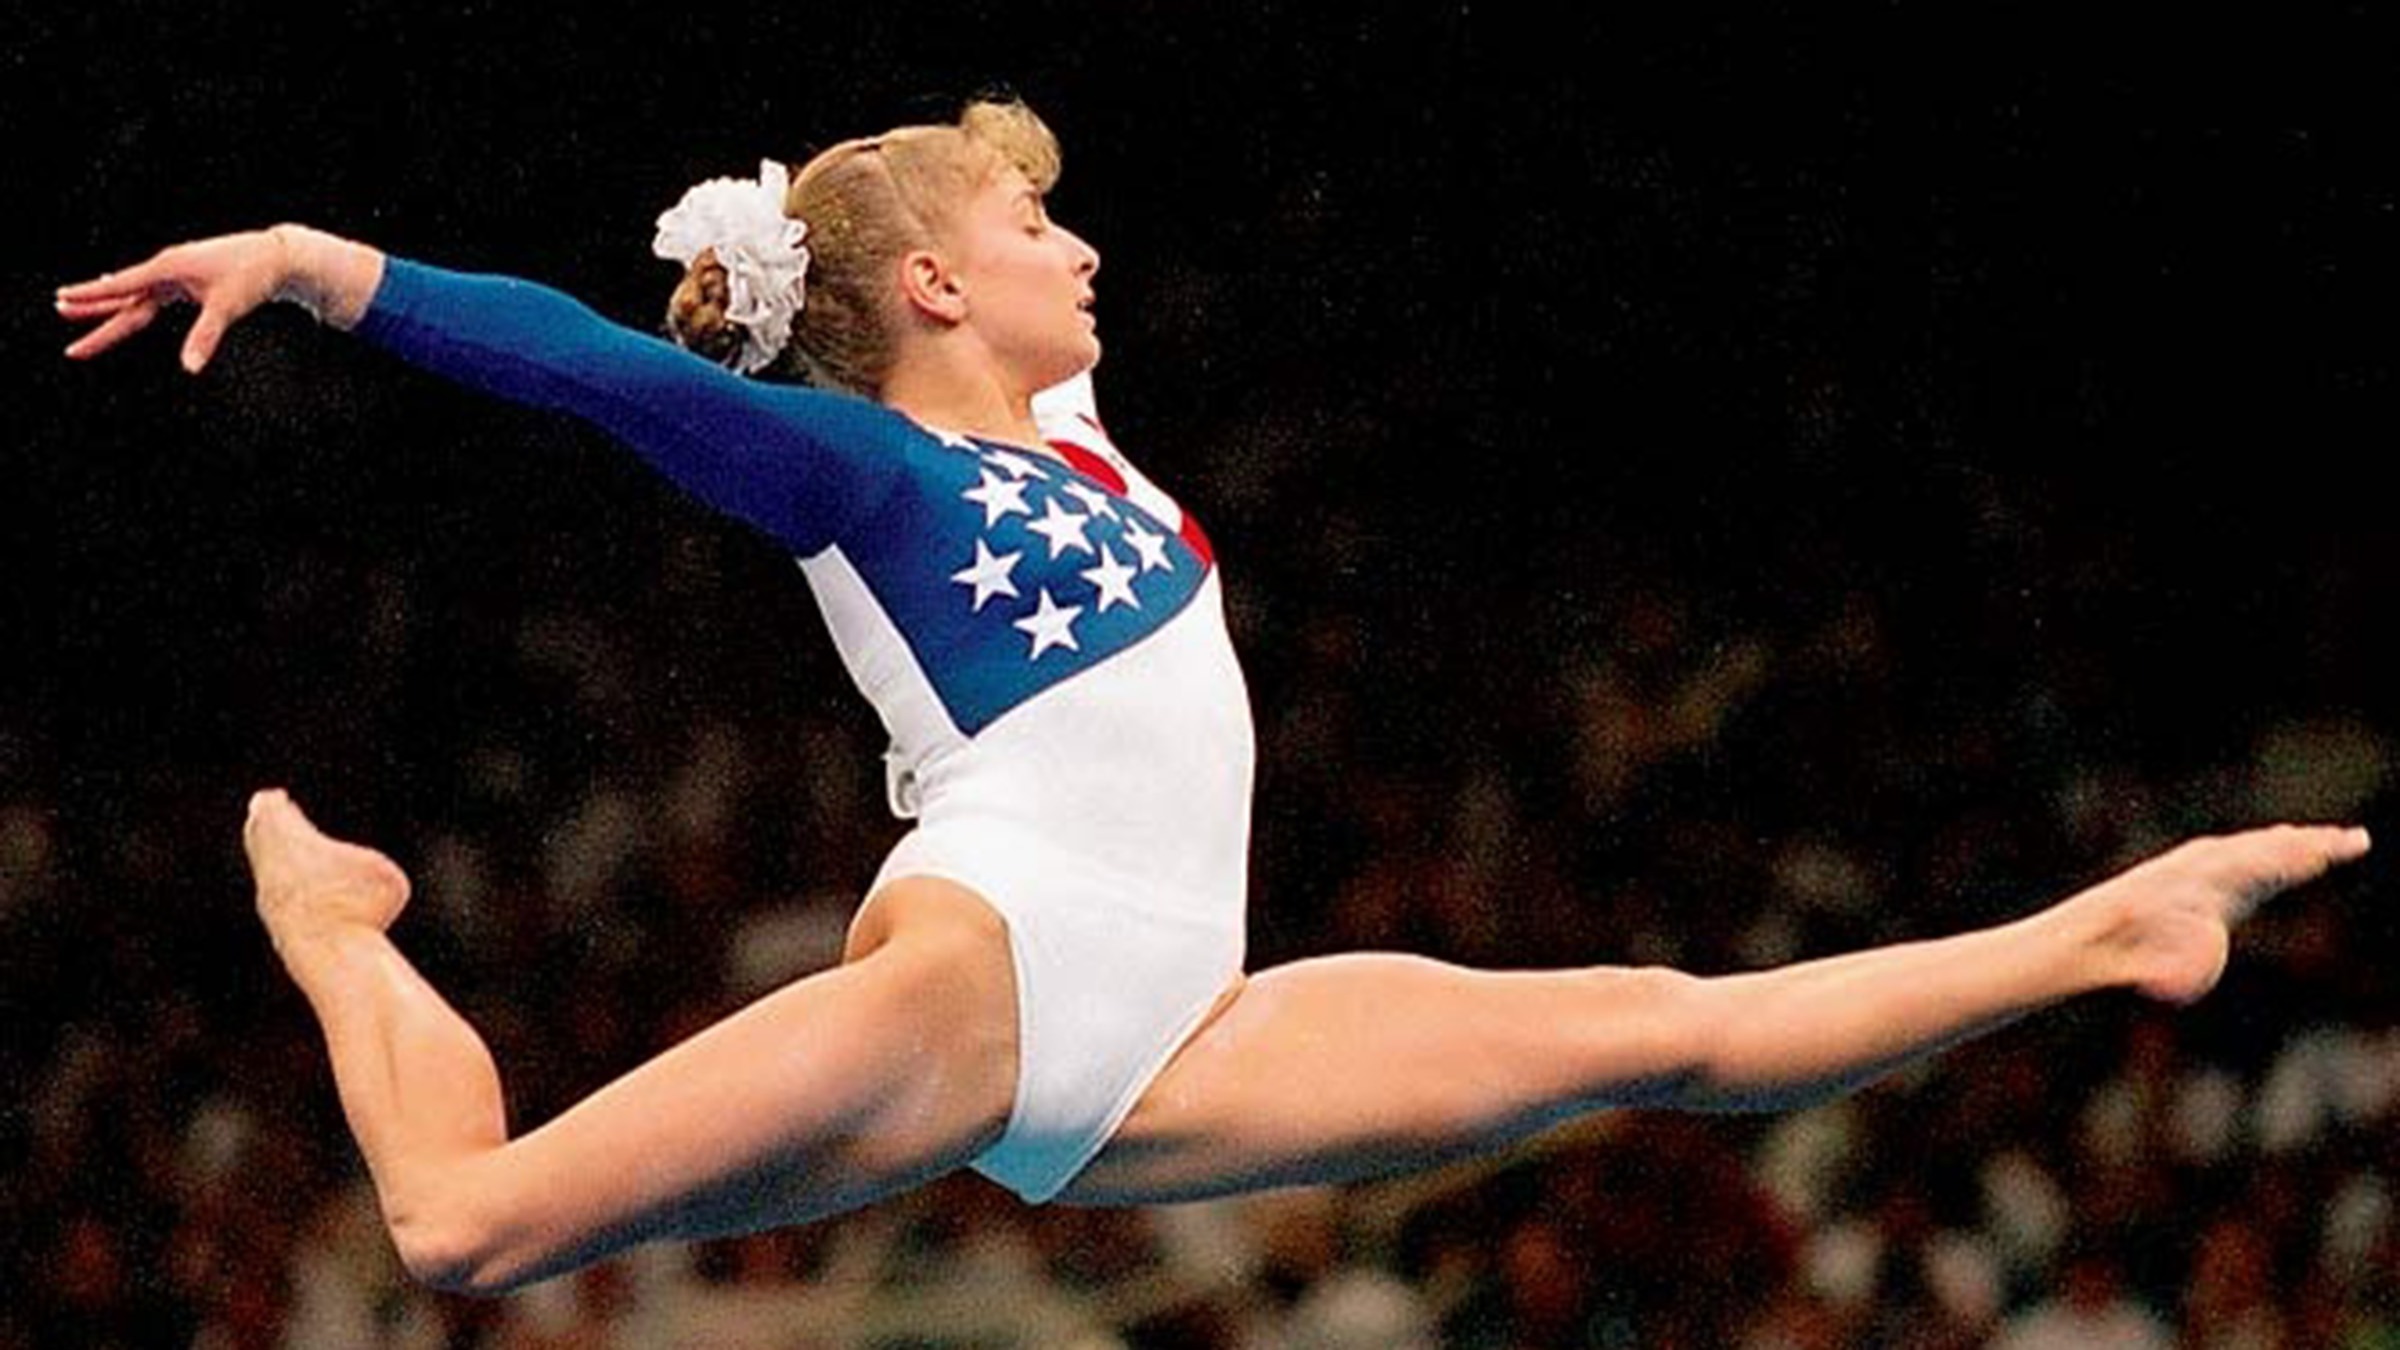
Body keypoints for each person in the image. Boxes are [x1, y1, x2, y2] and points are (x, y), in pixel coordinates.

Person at [56, 100, 2370, 1298]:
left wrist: (873, 209)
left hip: (1176, 1023)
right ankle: (338, 923)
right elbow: (583, 364)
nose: (1092, 252)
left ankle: (2117, 925)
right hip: (998, 962)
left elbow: (903, 238)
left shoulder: (1072, 431)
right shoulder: (870, 474)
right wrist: (321, 269)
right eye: (1040, 231)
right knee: (459, 1231)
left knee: (1660, 1026)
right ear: (950, 280)